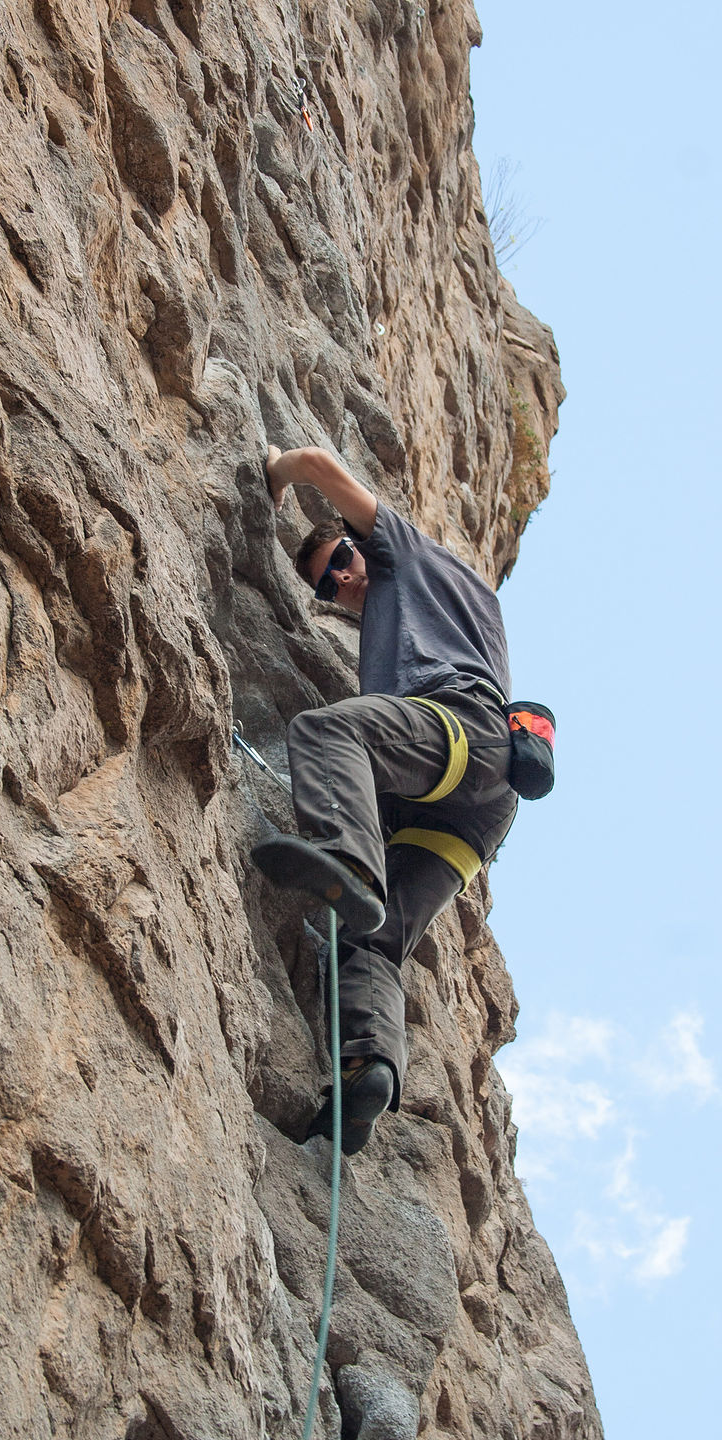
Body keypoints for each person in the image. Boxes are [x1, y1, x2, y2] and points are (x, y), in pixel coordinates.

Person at [252, 444, 519, 1154]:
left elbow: (314, 461)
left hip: (460, 731)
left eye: (342, 558)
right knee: (373, 937)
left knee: (328, 733)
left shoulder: (403, 552)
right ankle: (367, 1072)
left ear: (361, 539)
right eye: (326, 585)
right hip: (472, 809)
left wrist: (277, 473)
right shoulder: (430, 601)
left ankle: (350, 863)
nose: (341, 580)